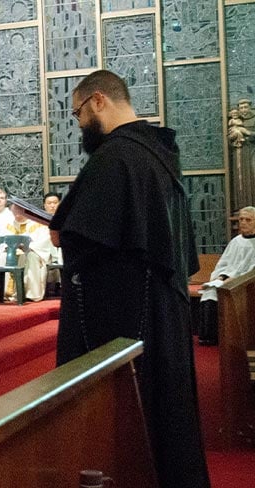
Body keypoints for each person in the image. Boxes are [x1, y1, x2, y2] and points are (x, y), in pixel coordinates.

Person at [49, 70, 209, 487]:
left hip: (127, 323)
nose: (80, 125)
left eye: (78, 113)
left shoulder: (117, 157)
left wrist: (62, 231)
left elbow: (85, 239)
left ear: (98, 101)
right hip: (162, 318)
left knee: (132, 434)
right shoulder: (158, 153)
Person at [198, 206, 255, 345]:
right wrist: (220, 277)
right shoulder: (235, 242)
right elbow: (223, 264)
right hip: (227, 279)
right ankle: (208, 336)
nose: (243, 222)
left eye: (248, 220)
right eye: (241, 219)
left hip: (245, 284)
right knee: (210, 292)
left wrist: (237, 279)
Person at [0, 202, 55, 302]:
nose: (17, 214)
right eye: (15, 211)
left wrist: (27, 247)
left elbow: (43, 242)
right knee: (2, 257)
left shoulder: (38, 224)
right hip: (11, 252)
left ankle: (29, 292)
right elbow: (1, 242)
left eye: (19, 211)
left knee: (30, 257)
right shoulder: (8, 225)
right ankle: (0, 292)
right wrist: (7, 248)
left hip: (32, 252)